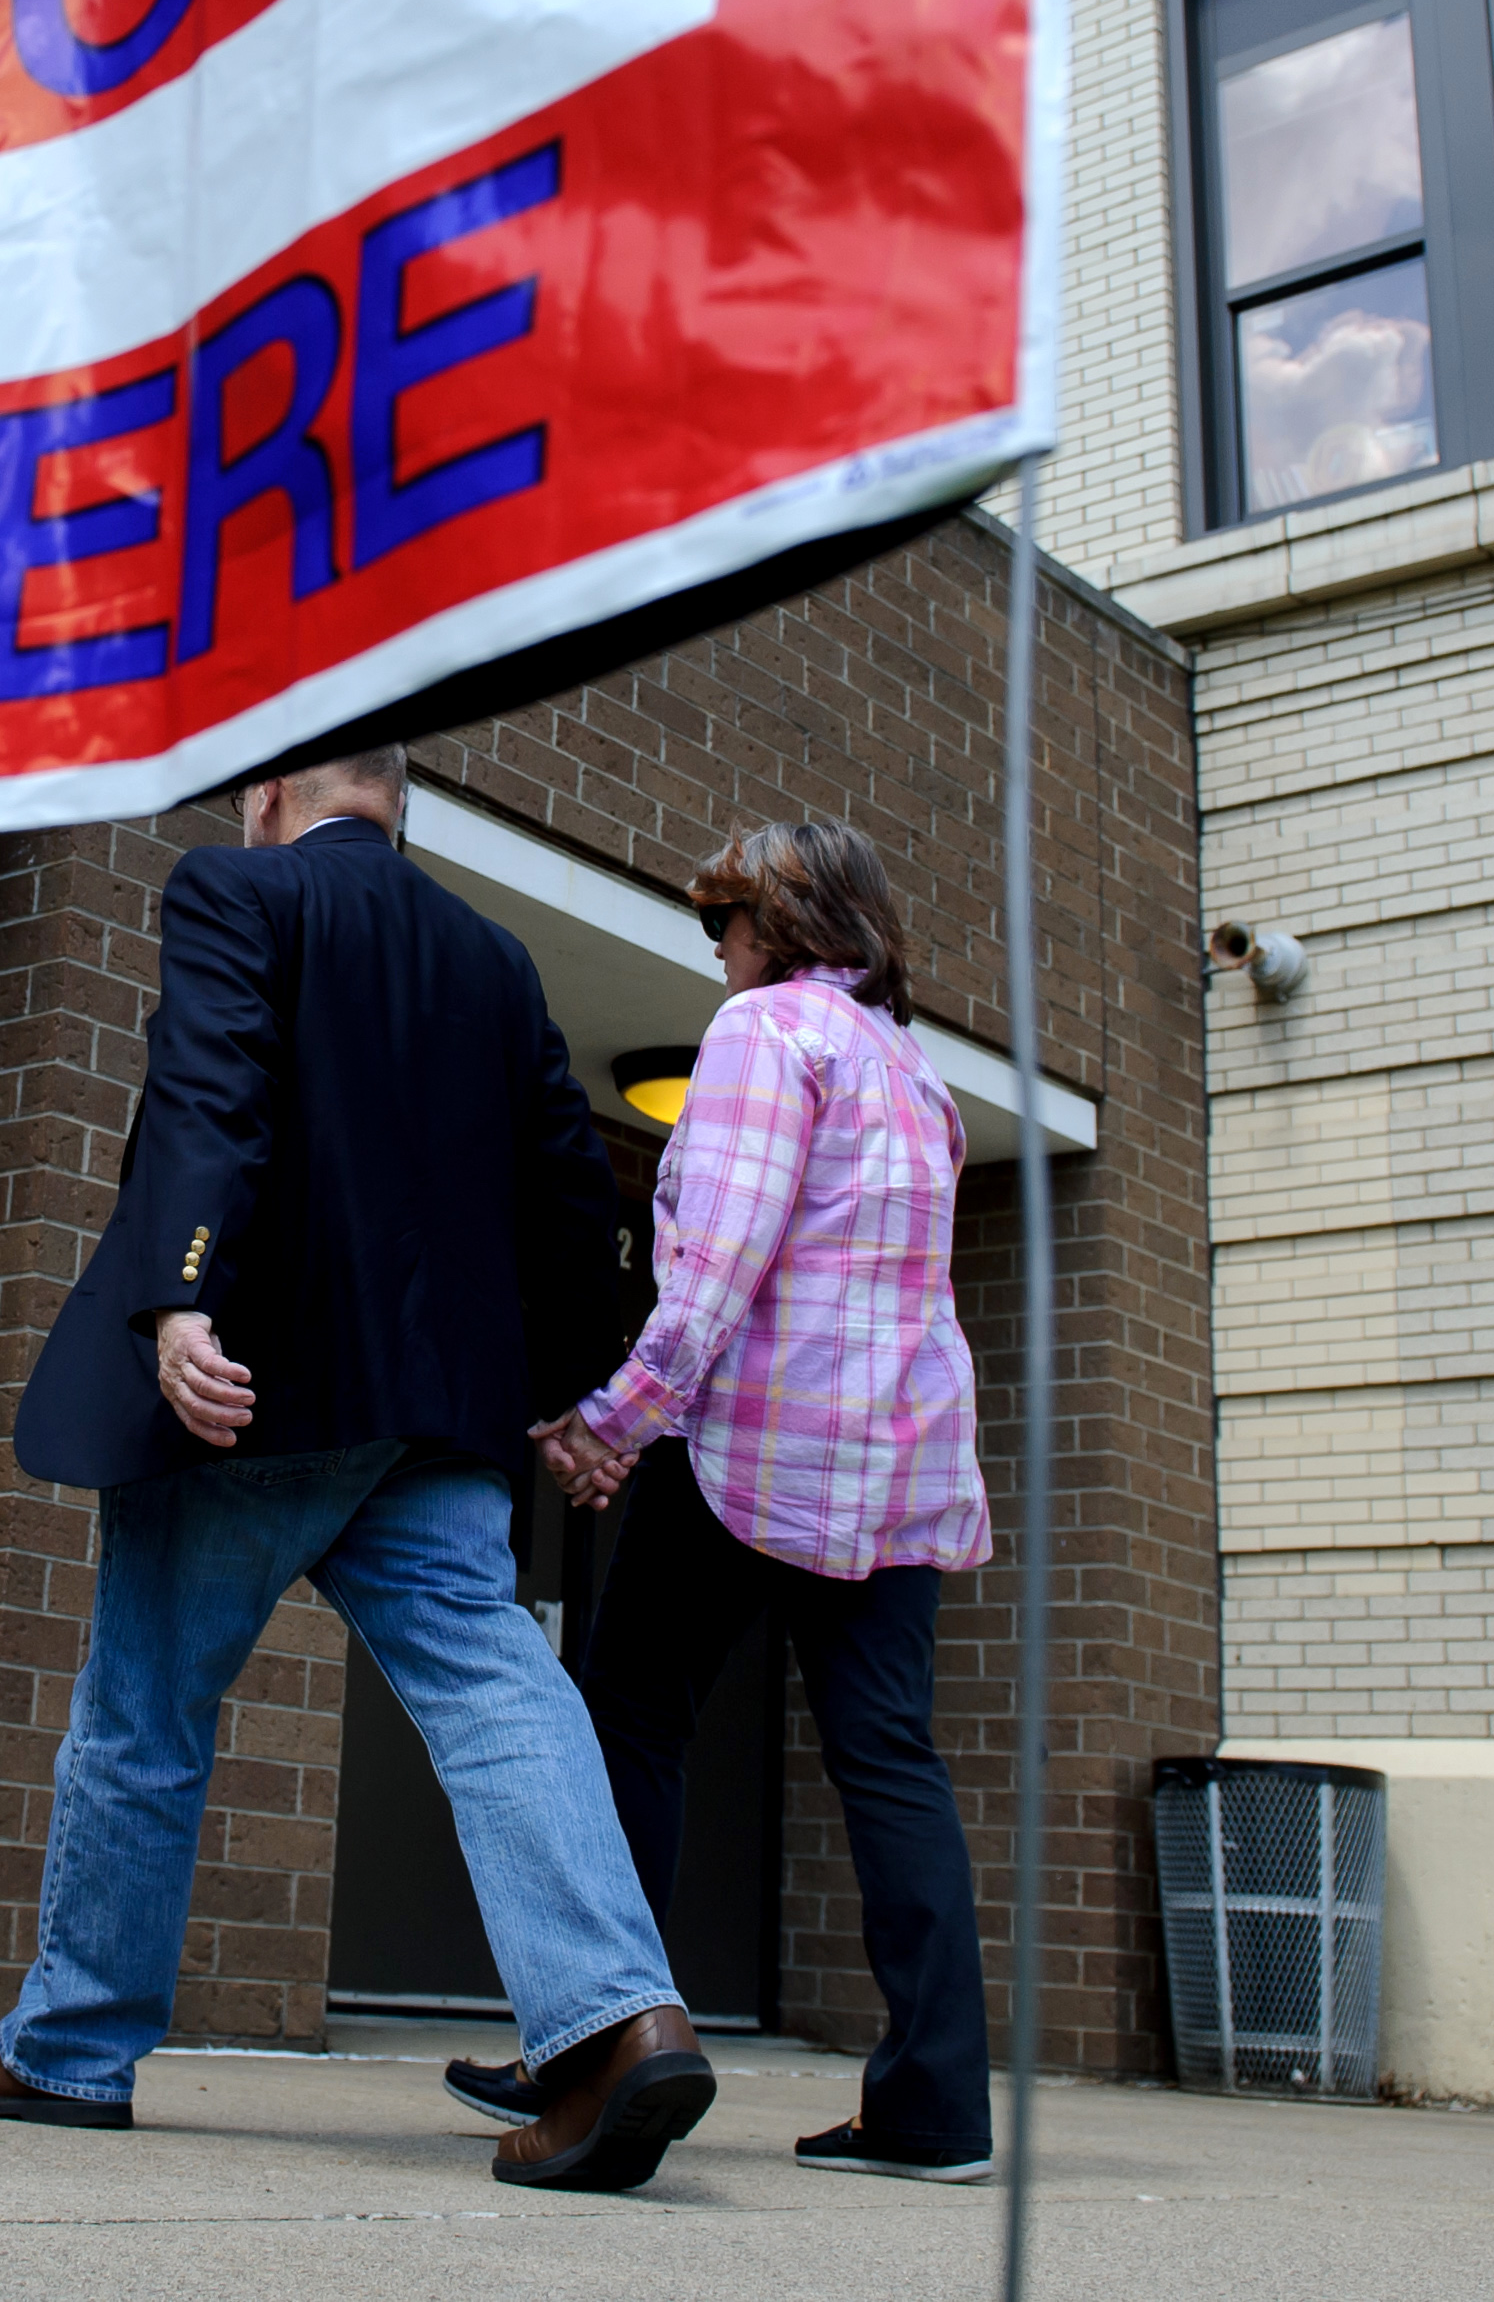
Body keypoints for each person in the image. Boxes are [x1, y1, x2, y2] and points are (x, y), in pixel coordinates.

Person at [0, 745, 713, 2192]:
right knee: (498, 1693)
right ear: (397, 802)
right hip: (437, 1416)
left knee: (145, 1711)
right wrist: (566, 1391)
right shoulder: (495, 959)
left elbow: (214, 1092)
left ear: (275, 791)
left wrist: (182, 1295)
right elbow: (574, 1192)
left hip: (256, 1397)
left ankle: (68, 2049)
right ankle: (616, 2026)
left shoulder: (239, 890)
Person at [477, 818, 1000, 2184]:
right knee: (890, 1759)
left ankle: (598, 2043)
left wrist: (611, 1425)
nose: (714, 947)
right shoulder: (914, 1071)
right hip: (896, 1464)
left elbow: (714, 1266)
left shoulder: (770, 1036)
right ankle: (938, 2106)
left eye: (724, 921)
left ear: (779, 924)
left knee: (631, 1716)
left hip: (761, 1452)